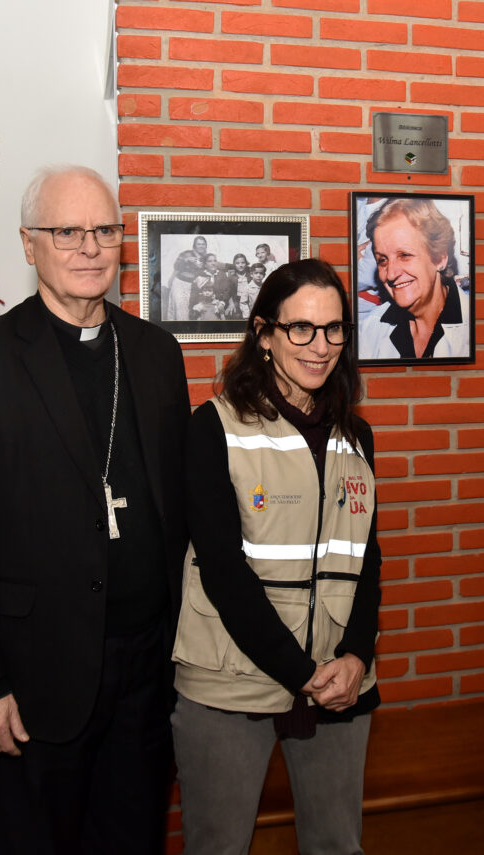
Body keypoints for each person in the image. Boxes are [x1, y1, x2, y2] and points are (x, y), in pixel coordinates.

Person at [0, 165, 191, 854]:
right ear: (28, 243)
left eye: (104, 230)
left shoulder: (157, 354)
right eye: (66, 230)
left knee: (133, 837)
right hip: (36, 666)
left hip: (146, 662)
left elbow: (177, 507)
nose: (88, 246)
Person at [171, 258, 382, 854]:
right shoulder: (214, 428)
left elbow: (366, 561)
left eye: (334, 328)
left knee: (337, 845)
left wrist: (356, 657)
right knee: (219, 846)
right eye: (301, 329)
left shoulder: (354, 436)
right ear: (264, 334)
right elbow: (223, 572)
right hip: (230, 682)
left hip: (338, 681)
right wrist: (301, 673)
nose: (320, 347)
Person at [359, 197, 470, 360]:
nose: (390, 274)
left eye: (404, 255)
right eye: (383, 260)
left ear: (440, 258)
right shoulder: (371, 328)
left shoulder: (473, 327)